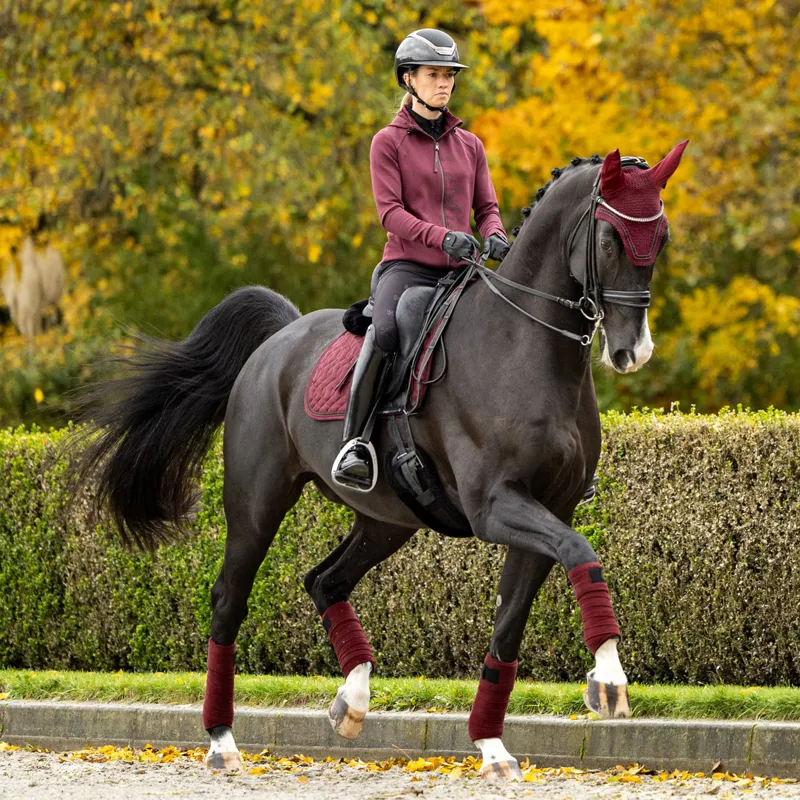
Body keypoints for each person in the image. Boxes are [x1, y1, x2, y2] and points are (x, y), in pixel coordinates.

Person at [331, 28, 510, 492]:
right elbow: (390, 213)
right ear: (408, 78)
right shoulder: (386, 143)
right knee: (387, 330)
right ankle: (355, 444)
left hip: (462, 270)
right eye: (434, 74)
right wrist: (442, 237)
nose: (445, 83)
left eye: (450, 75)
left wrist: (494, 236)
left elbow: (487, 209)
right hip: (408, 267)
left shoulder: (470, 146)